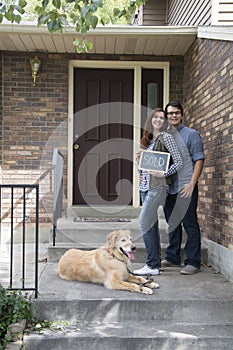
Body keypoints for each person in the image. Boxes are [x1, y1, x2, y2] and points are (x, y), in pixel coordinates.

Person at [133, 108, 183, 276]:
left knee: (144, 223)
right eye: (156, 117)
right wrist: (139, 158)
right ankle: (153, 265)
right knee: (151, 225)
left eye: (162, 118)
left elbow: (179, 162)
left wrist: (164, 173)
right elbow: (145, 167)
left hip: (158, 187)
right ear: (151, 119)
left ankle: (152, 264)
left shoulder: (166, 137)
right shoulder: (147, 140)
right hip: (145, 187)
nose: (159, 120)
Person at [161, 101, 205, 275]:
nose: (173, 116)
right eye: (170, 113)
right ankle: (172, 258)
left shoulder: (191, 135)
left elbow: (199, 160)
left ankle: (193, 261)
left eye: (176, 113)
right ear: (166, 116)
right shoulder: (163, 136)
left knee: (189, 224)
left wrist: (192, 184)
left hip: (185, 186)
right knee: (172, 223)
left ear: (181, 115)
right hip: (169, 188)